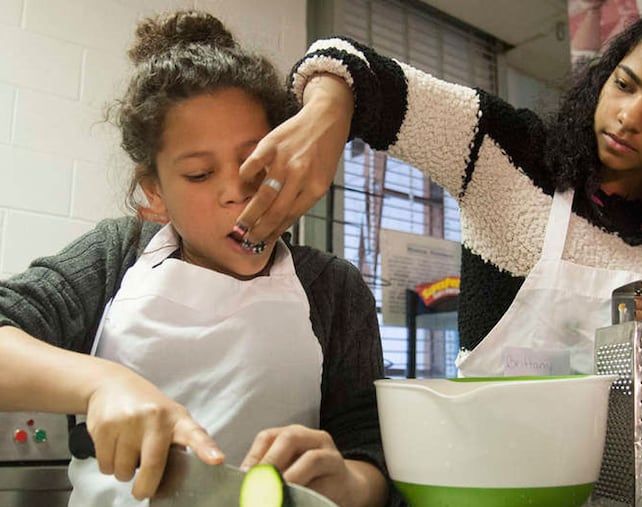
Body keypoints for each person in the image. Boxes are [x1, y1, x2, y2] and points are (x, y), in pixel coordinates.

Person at [232, 4, 642, 398]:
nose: (631, 116)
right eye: (625, 84)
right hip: (489, 471)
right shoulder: (506, 155)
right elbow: (350, 63)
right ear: (605, 75)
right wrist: (329, 110)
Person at [0, 10, 395, 507]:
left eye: (254, 161)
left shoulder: (333, 289)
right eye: (199, 174)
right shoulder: (114, 258)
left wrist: (350, 483)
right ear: (155, 194)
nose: (237, 191)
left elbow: (372, 451)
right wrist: (104, 384)